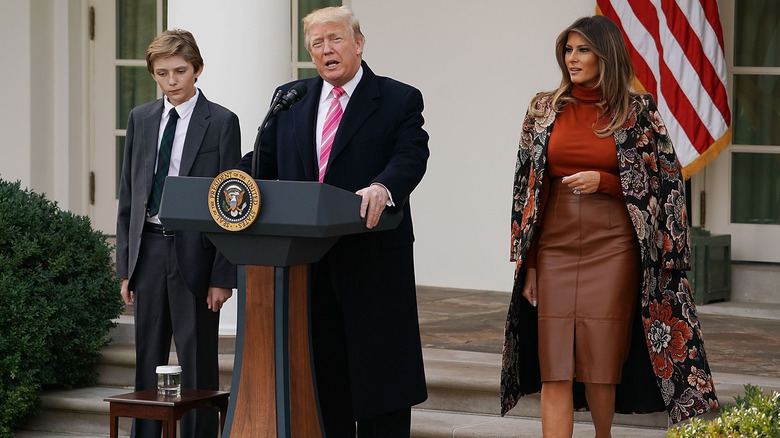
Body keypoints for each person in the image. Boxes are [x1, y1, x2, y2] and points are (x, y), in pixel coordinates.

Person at [499, 15, 718, 437]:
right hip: (555, 242)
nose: (573, 58)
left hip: (615, 243)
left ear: (606, 55)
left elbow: (664, 183)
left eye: (583, 50)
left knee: (601, 361)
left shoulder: (637, 111)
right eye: (568, 50)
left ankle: (603, 435)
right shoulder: (544, 109)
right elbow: (526, 190)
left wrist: (607, 182)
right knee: (555, 362)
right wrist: (528, 264)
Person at [236, 6, 429, 436]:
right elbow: (262, 158)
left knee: (382, 383)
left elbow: (411, 154)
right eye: (317, 43)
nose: (327, 50)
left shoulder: (398, 98)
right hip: (309, 263)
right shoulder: (292, 98)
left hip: (372, 258)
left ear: (358, 43)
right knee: (324, 382)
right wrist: (229, 183)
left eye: (335, 39)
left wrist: (384, 187)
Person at [116, 29, 240, 438]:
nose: (172, 80)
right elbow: (129, 195)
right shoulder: (140, 118)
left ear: (197, 69)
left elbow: (230, 205)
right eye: (163, 72)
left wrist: (223, 276)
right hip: (148, 251)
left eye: (181, 71)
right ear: (153, 73)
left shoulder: (221, 122)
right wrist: (125, 268)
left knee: (197, 359)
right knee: (147, 358)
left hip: (196, 255)